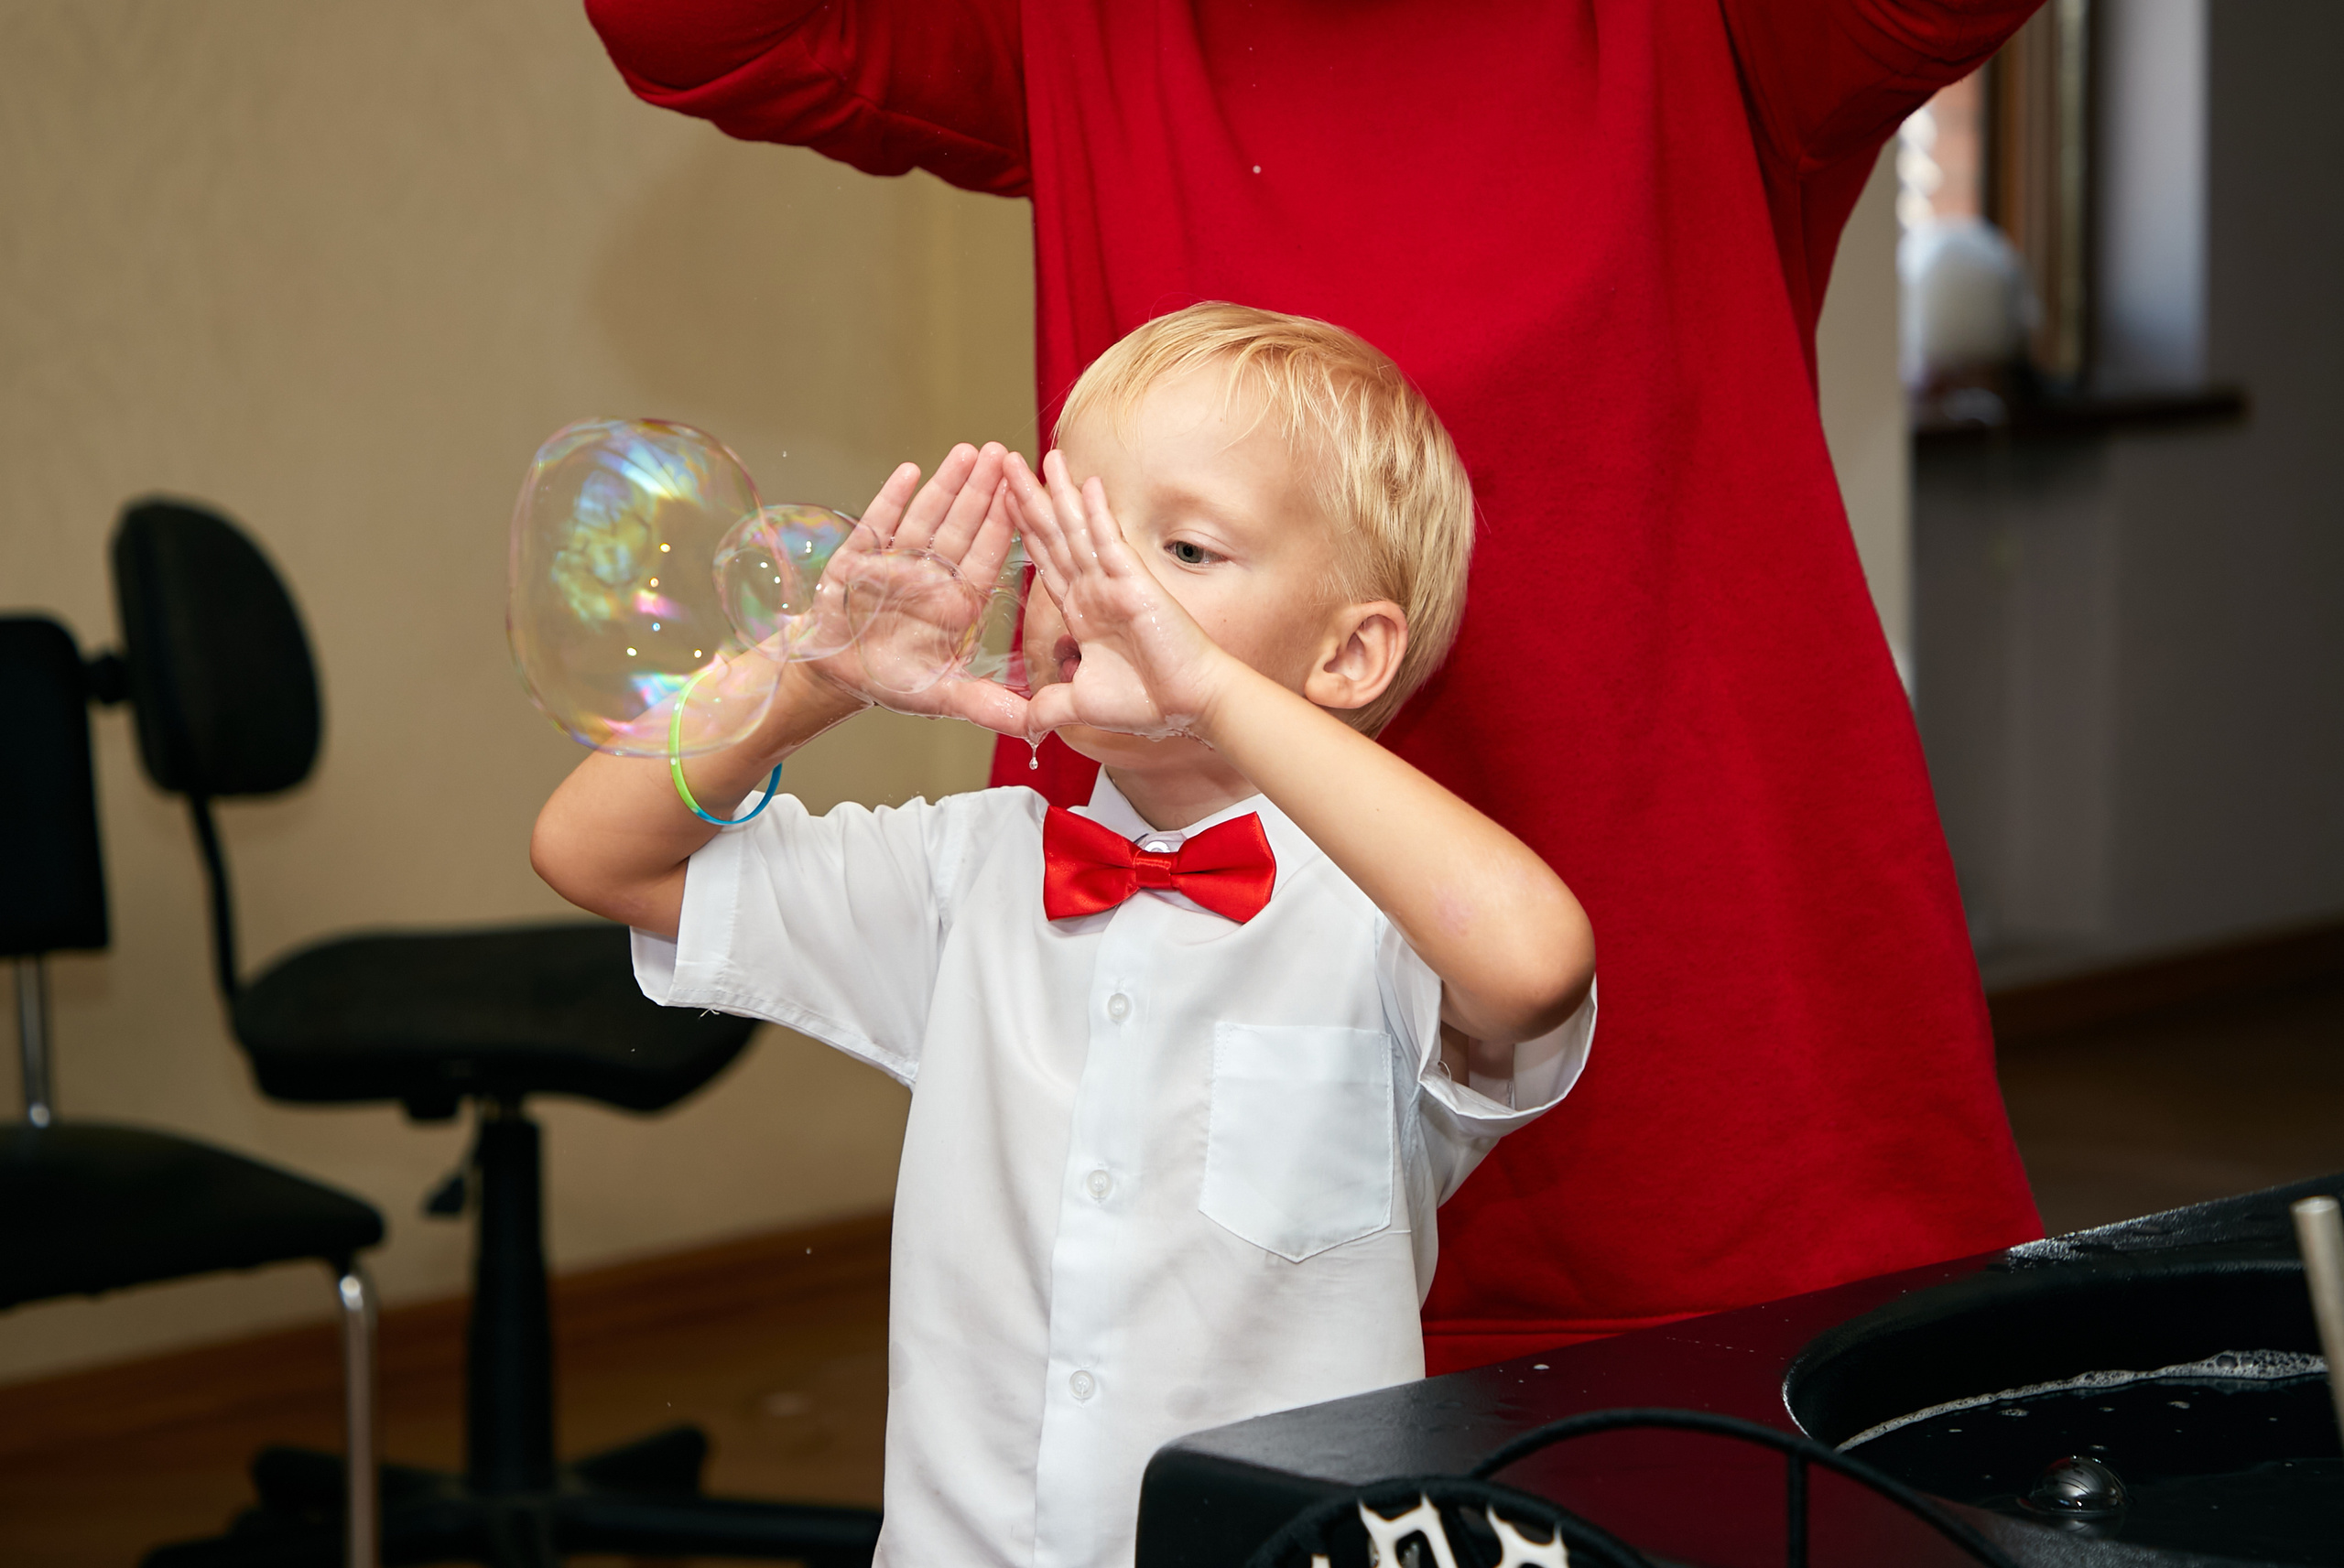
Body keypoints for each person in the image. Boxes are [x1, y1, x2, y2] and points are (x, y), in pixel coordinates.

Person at [582, 0, 2046, 1373]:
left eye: (1186, 544)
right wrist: (809, 670)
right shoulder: (1097, 25)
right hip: (1161, 983)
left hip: (1706, 1056)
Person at [532, 305, 1599, 1568]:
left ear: (1348, 654)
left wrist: (1212, 690)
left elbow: (1536, 962)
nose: (1101, 585)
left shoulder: (1387, 925)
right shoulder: (961, 873)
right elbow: (592, 852)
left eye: (1184, 549)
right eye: (1068, 536)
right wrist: (814, 673)